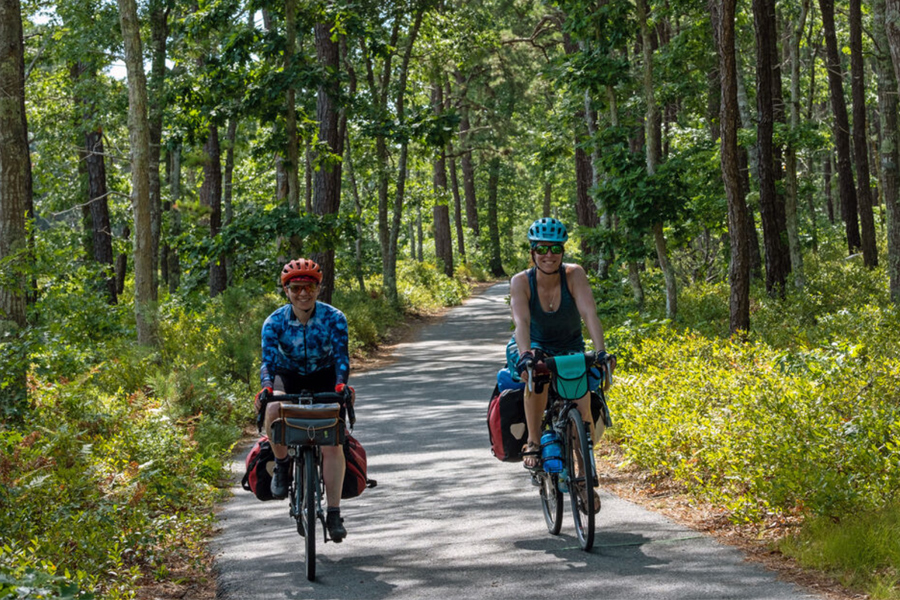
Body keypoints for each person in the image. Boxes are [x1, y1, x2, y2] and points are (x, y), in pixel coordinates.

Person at [507, 217, 614, 512]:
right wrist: (527, 354)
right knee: (537, 375)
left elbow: (589, 314)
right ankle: (533, 440)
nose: (548, 255)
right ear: (532, 251)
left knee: (583, 411)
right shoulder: (521, 281)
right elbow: (521, 321)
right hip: (534, 345)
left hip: (570, 348)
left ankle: (584, 479)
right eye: (541, 249)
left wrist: (601, 351)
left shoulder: (574, 275)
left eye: (555, 248)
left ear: (563, 251)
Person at [254, 258, 353, 542]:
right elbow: (268, 364)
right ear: (286, 290)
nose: (302, 293)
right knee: (273, 407)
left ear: (318, 288)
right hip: (288, 375)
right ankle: (282, 465)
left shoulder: (335, 318)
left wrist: (340, 386)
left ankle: (333, 512)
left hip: (325, 376)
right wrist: (265, 388)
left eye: (308, 287)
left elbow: (341, 357)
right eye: (296, 288)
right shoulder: (274, 322)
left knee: (333, 442)